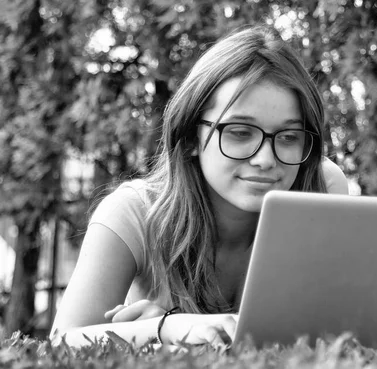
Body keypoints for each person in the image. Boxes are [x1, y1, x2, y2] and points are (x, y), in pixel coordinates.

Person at [50, 25, 348, 348]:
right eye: (239, 132)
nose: (265, 159)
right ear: (192, 137)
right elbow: (61, 340)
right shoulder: (133, 213)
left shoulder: (322, 188)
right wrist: (166, 327)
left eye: (289, 137)